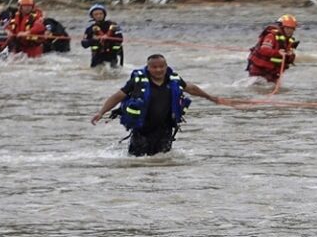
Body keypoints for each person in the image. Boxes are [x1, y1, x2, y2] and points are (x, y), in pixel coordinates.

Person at [91, 54, 219, 156]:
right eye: (154, 67)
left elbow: (191, 88)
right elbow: (118, 96)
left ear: (166, 66)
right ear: (148, 67)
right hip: (142, 130)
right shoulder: (137, 82)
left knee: (162, 161)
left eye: (161, 66)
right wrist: (101, 112)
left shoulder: (174, 80)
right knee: (138, 161)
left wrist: (209, 97)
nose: (158, 70)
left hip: (165, 130)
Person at [246, 14, 299, 82]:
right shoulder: (271, 36)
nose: (290, 31)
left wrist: (290, 55)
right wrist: (278, 53)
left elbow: (290, 58)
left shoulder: (289, 41)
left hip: (274, 72)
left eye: (292, 29)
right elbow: (264, 50)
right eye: (287, 28)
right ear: (281, 27)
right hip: (260, 69)